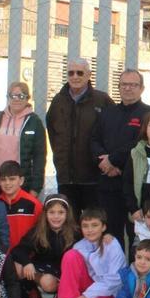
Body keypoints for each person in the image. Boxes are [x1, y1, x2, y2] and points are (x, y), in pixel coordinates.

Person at [91, 69, 150, 239]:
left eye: (133, 84)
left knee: (139, 235)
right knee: (110, 235)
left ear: (142, 88)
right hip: (108, 183)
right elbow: (94, 140)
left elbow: (141, 142)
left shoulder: (149, 115)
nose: (128, 88)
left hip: (136, 186)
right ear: (118, 87)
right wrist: (104, 162)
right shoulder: (107, 113)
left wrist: (113, 160)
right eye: (124, 84)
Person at [47, 56, 113, 215]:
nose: (75, 77)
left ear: (89, 75)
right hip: (66, 178)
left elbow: (112, 131)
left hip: (94, 178)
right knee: (70, 226)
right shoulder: (58, 101)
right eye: (71, 73)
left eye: (79, 73)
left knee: (95, 223)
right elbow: (52, 132)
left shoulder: (101, 100)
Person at [58, 208, 126, 298]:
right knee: (70, 255)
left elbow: (114, 280)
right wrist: (70, 295)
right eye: (85, 226)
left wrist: (86, 296)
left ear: (103, 227)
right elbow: (73, 273)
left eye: (94, 225)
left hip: (110, 290)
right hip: (90, 284)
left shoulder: (112, 244)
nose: (90, 230)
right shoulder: (79, 246)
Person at [12, 194, 76, 298]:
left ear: (67, 214)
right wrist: (27, 263)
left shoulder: (75, 232)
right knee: (17, 265)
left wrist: (107, 236)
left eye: (61, 212)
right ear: (45, 214)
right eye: (52, 212)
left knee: (48, 283)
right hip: (41, 267)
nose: (56, 217)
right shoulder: (38, 231)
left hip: (63, 272)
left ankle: (61, 294)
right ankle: (32, 292)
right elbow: (18, 250)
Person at [0, 82, 47, 195]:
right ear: (8, 97)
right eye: (13, 96)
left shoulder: (34, 122)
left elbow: (39, 157)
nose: (17, 99)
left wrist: (35, 188)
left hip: (19, 184)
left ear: (27, 99)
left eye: (21, 96)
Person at [0, 161, 42, 251]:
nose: (7, 183)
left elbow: (41, 234)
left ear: (21, 181)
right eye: (3, 179)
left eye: (12, 179)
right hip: (3, 258)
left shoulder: (34, 204)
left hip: (26, 259)